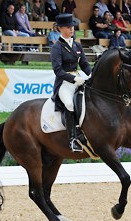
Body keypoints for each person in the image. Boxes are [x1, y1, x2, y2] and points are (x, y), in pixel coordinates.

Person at [50, 13, 91, 152]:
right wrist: (74, 79)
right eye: (68, 27)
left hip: (79, 78)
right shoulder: (57, 47)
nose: (71, 29)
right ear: (60, 29)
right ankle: (72, 138)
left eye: (72, 26)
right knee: (69, 103)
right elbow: (58, 71)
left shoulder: (77, 45)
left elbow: (84, 64)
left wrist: (91, 74)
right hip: (64, 82)